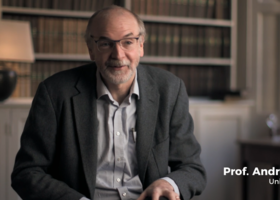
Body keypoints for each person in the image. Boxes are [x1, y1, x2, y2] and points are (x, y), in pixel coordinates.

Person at [11, 5, 206, 200]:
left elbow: (192, 168)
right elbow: (27, 172)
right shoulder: (54, 92)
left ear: (141, 46)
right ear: (91, 50)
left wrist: (168, 183)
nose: (118, 55)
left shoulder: (170, 89)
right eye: (105, 44)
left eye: (128, 42)